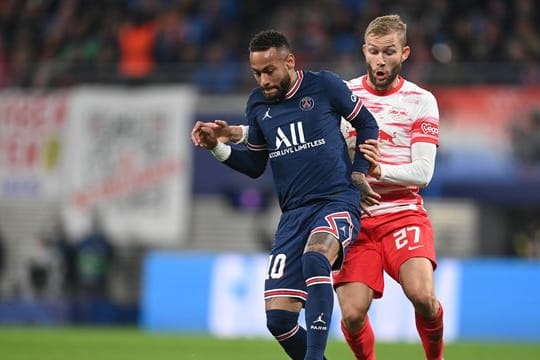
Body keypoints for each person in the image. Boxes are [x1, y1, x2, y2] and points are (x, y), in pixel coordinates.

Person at [196, 15, 444, 360]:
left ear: (404, 53)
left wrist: (374, 169)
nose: (380, 59)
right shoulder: (345, 90)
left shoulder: (420, 100)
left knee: (422, 296)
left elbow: (423, 172)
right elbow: (295, 127)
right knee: (352, 315)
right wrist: (230, 136)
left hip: (397, 212)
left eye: (388, 52)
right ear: (365, 52)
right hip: (351, 214)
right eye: (374, 51)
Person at [191, 29, 380, 360]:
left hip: (335, 201)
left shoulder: (324, 85)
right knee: (278, 320)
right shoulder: (257, 104)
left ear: (289, 61)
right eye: (256, 73)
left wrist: (359, 170)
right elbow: (253, 163)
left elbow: (367, 123)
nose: (263, 80)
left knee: (316, 256)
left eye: (269, 71)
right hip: (293, 216)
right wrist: (216, 147)